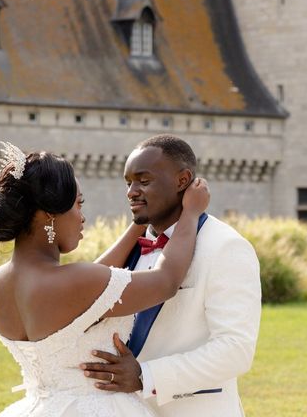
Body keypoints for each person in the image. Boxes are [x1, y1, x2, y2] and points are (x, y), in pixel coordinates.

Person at [0, 141, 210, 417]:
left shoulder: (1, 282)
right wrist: (191, 214)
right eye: (78, 204)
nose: (82, 217)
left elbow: (91, 289)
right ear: (50, 215)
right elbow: (165, 281)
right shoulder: (74, 281)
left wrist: (140, 222)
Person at [81, 134, 261, 417]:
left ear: (182, 180)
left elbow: (235, 349)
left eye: (144, 180)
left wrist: (146, 376)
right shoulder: (131, 246)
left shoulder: (226, 246)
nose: (131, 191)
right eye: (128, 183)